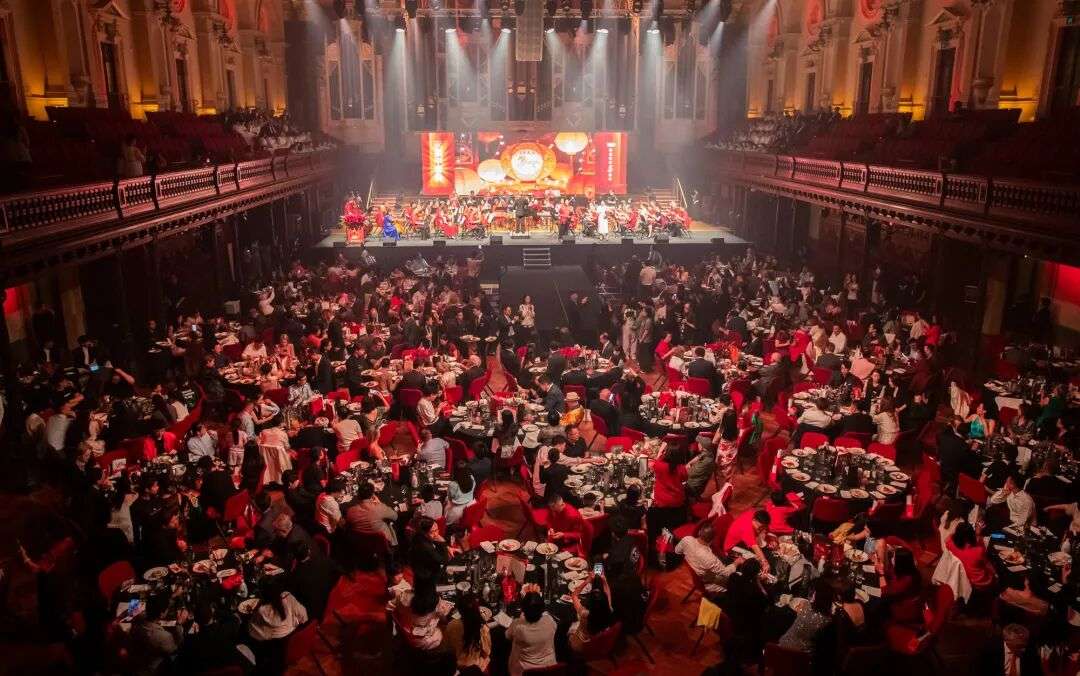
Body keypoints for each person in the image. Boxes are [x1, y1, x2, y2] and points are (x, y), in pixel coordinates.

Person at [674, 521, 738, 594]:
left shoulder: (686, 539)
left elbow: (677, 551)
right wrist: (736, 563)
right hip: (708, 582)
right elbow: (725, 574)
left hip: (696, 575)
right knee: (736, 581)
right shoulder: (710, 559)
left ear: (699, 532)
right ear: (712, 540)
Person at [507, 591, 558, 676]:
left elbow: (507, 635)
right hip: (550, 668)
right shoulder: (549, 620)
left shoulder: (518, 625)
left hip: (525, 670)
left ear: (523, 610)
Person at [778, 578, 835, 652]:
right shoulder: (827, 620)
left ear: (816, 595)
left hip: (781, 647)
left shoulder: (805, 605)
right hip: (800, 654)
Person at [444, 593, 492, 673]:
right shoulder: (482, 628)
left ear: (459, 611)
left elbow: (447, 646)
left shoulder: (451, 625)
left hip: (458, 665)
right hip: (476, 667)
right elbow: (487, 652)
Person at [569, 573, 615, 654]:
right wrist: (604, 580)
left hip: (581, 644)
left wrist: (587, 581)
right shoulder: (608, 609)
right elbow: (607, 594)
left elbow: (574, 595)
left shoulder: (584, 613)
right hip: (599, 642)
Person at [345, 480, 399, 546]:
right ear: (372, 495)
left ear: (358, 495)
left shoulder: (350, 511)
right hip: (382, 545)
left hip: (361, 545)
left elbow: (348, 528)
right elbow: (395, 516)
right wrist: (380, 503)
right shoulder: (379, 508)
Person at [723, 508, 772, 572]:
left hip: (742, 543)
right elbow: (755, 547)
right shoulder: (747, 529)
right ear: (754, 520)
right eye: (760, 527)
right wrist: (765, 562)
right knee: (755, 562)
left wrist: (769, 537)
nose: (761, 529)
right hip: (732, 548)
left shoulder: (754, 513)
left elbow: (764, 529)